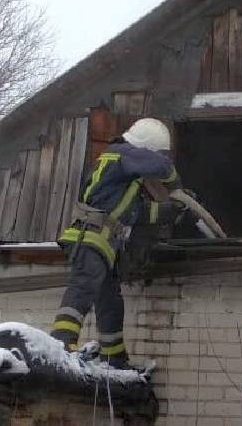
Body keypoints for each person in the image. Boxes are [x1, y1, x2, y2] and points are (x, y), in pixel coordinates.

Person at [50, 117, 184, 369]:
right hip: (91, 236)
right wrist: (176, 184)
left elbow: (136, 214)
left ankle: (114, 357)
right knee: (84, 285)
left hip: (107, 243)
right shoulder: (119, 154)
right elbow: (160, 166)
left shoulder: (125, 181)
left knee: (110, 300)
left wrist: (171, 210)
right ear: (145, 148)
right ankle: (61, 343)